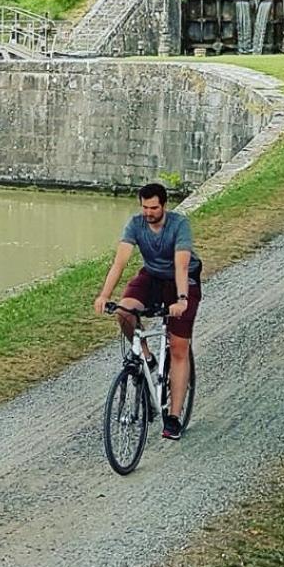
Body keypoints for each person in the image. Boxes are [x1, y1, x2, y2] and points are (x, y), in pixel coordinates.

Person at [93, 181, 201, 440]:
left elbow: (181, 266)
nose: (149, 212)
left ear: (164, 205)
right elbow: (120, 261)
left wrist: (182, 299)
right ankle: (146, 356)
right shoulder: (135, 224)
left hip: (181, 282)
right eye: (145, 207)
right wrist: (105, 295)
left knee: (177, 347)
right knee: (124, 311)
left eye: (154, 208)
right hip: (152, 276)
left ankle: (173, 418)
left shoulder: (179, 225)